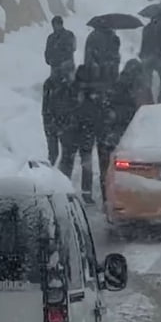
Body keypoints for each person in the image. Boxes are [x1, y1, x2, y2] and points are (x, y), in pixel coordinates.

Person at [97, 59, 146, 203]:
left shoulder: (116, 86)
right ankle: (115, 199)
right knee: (117, 171)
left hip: (108, 136)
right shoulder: (128, 89)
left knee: (107, 171)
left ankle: (108, 200)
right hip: (118, 137)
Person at [58, 65, 105, 203]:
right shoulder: (89, 94)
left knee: (70, 163)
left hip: (76, 132)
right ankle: (83, 193)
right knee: (82, 163)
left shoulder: (71, 91)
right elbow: (96, 113)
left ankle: (64, 190)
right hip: (83, 132)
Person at [42, 16, 77, 164]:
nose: (55, 27)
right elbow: (48, 55)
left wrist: (60, 60)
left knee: (65, 92)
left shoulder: (65, 36)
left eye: (57, 24)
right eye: (54, 25)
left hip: (64, 68)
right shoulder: (55, 37)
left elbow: (70, 49)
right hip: (58, 68)